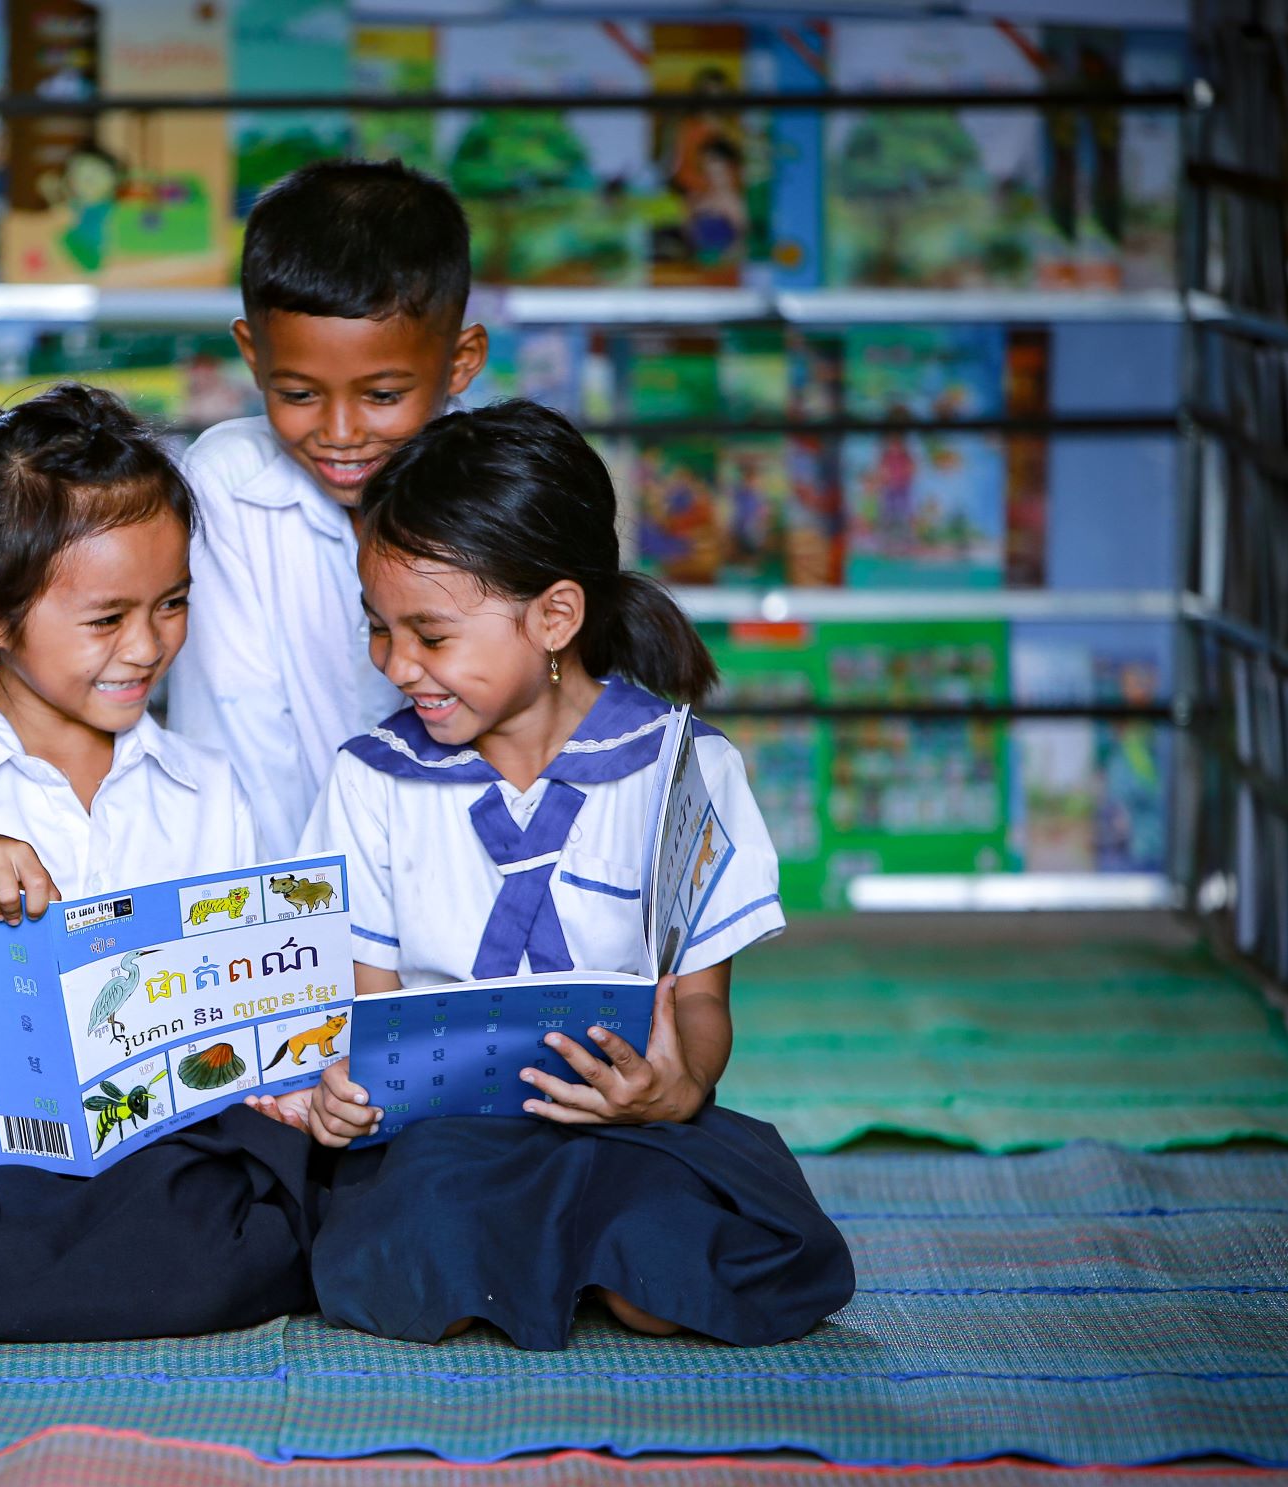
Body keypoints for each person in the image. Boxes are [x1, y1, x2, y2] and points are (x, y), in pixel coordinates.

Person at [250, 400, 855, 1351]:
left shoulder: (681, 769)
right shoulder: (371, 778)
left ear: (556, 617)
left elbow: (697, 1003)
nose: (398, 664)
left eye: (432, 634)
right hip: (444, 1137)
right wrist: (337, 1089)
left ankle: (586, 1254)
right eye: (379, 629)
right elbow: (359, 1012)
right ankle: (554, 1257)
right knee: (411, 1241)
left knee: (730, 1248)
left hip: (627, 1127)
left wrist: (675, 1086)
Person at [0, 383, 310, 1342]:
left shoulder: (207, 786)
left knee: (243, 1219)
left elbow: (256, 1016)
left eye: (173, 604)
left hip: (171, 1138)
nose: (147, 647)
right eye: (107, 619)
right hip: (0, 1146)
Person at [166, 159, 490, 859]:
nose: (340, 433)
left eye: (381, 396)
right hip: (293, 911)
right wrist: (306, 927)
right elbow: (236, 739)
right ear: (252, 356)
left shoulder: (506, 484)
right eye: (301, 393)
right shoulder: (229, 484)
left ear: (462, 361)